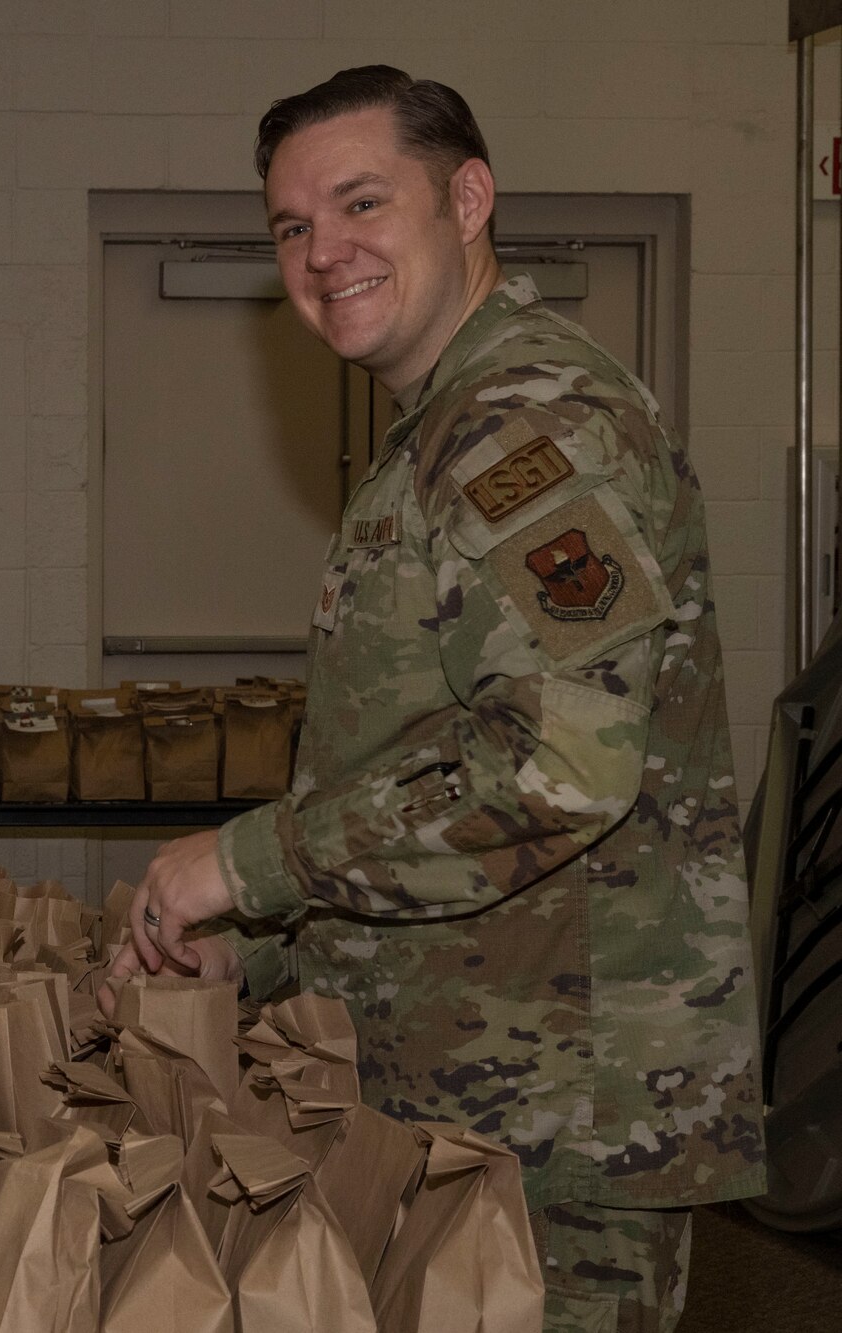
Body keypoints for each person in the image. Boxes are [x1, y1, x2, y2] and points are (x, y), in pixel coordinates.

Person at [100, 67, 765, 1332]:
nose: (320, 252)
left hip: (556, 1122)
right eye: (290, 226)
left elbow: (556, 768)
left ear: (466, 198)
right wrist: (262, 945)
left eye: (358, 202)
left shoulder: (526, 425)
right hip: (471, 1089)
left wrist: (248, 863)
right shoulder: (440, 428)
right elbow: (421, 766)